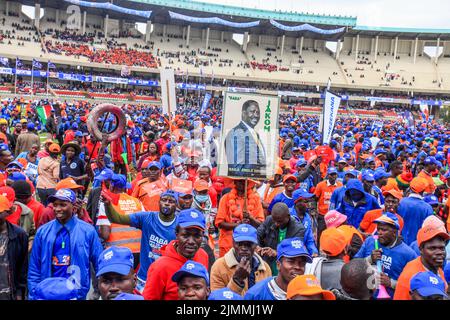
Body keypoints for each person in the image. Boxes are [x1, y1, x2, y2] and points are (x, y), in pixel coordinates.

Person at [28, 189, 103, 300]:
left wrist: (101, 289)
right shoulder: (43, 232)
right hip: (47, 293)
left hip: (77, 294)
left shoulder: (88, 231)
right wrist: (34, 293)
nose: (58, 209)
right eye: (55, 205)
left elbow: (99, 263)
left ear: (73, 207)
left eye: (63, 205)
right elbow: (34, 267)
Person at [103, 190, 178, 292]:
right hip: (144, 279)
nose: (167, 203)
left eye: (171, 201)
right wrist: (108, 205)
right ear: (159, 202)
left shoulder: (179, 225)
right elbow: (117, 219)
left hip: (167, 280)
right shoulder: (146, 218)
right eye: (164, 200)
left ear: (176, 205)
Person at [142, 208, 209, 300]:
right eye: (185, 235)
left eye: (197, 236)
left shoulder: (203, 255)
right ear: (176, 234)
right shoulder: (160, 267)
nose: (191, 241)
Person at [354, 213, 417, 298]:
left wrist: (391, 283)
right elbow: (353, 266)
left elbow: (414, 285)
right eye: (378, 229)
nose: (379, 233)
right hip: (366, 295)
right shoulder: (370, 241)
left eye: (384, 230)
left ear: (395, 232)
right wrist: (370, 259)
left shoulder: (409, 254)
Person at [210, 224, 271, 295]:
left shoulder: (265, 268)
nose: (244, 248)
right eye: (240, 244)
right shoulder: (219, 267)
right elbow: (217, 298)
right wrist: (237, 280)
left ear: (256, 245)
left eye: (249, 244)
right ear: (233, 243)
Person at [245, 237, 312, 300]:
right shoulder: (256, 294)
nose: (297, 267)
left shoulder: (310, 293)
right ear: (278, 265)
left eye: (302, 263)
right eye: (291, 261)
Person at [96, 174, 143, 264]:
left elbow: (105, 234)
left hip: (116, 252)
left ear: (111, 186)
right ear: (125, 188)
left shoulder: (107, 203)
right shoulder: (137, 202)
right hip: (138, 251)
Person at [394, 224, 449, 300]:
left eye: (442, 248)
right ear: (421, 249)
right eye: (433, 248)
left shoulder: (434, 264)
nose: (439, 252)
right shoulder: (410, 277)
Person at [215, 179, 264, 257]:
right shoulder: (225, 198)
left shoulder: (255, 199)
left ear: (248, 183)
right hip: (228, 244)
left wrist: (251, 218)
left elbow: (261, 224)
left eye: (245, 181)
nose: (242, 183)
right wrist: (239, 225)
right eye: (239, 181)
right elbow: (220, 223)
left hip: (249, 245)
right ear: (234, 182)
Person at [257, 203, 305, 275]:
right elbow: (257, 234)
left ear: (288, 216)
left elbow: (294, 251)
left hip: (287, 265)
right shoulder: (269, 220)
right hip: (268, 262)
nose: (276, 224)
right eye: (274, 220)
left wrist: (276, 252)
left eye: (279, 221)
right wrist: (257, 247)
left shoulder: (298, 229)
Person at [224, 100, 267, 178]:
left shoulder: (254, 133)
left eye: (258, 112)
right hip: (244, 186)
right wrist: (258, 172)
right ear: (244, 113)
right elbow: (236, 170)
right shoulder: (235, 133)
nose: (256, 115)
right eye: (252, 112)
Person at [0, 194, 28, 300]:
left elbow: (22, 267)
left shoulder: (19, 235)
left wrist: (20, 293)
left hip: (9, 292)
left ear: (8, 212)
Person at [397, 177, 434, 245]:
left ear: (410, 188)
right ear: (423, 190)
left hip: (400, 242)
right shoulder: (427, 208)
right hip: (418, 244)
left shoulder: (400, 202)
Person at [314, 167, 343, 239]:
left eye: (335, 174)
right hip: (323, 214)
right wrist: (315, 210)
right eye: (331, 174)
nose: (333, 176)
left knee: (333, 236)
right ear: (328, 175)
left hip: (335, 215)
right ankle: (317, 249)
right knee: (320, 234)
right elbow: (315, 198)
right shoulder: (320, 185)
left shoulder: (340, 185)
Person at [289, 189, 319, 256]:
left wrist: (314, 252)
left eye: (309, 201)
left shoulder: (307, 217)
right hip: (289, 252)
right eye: (306, 201)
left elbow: (309, 239)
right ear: (297, 202)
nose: (309, 204)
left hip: (302, 253)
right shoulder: (288, 215)